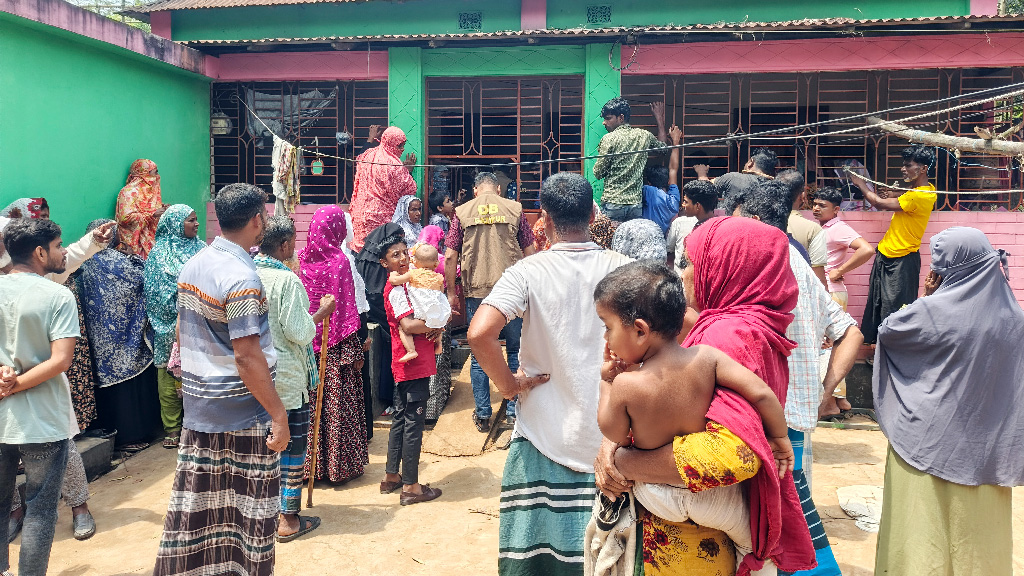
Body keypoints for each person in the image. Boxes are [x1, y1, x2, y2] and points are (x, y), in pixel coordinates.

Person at [594, 216, 815, 576]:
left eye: (693, 263)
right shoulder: (745, 330)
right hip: (727, 511)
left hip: (693, 517)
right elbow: (758, 396)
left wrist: (624, 462)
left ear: (726, 268)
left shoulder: (727, 334)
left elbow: (731, 455)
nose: (685, 276)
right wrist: (779, 436)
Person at [467, 172, 632, 575]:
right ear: (594, 213)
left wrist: (509, 386)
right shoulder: (626, 270)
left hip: (542, 433)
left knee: (535, 560)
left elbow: (479, 332)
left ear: (544, 217)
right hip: (613, 442)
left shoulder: (527, 272)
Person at [727, 181, 862, 574]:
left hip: (759, 417)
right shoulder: (799, 261)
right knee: (786, 511)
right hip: (796, 413)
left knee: (782, 520)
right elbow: (850, 331)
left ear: (750, 219)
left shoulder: (754, 259)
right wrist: (824, 390)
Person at [153, 183, 287, 576]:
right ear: (255, 220)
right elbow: (247, 356)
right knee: (251, 514)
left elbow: (183, 330)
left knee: (201, 513)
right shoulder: (241, 275)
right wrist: (278, 415)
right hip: (245, 412)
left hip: (202, 407)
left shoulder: (195, 263)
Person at [874, 227, 1024, 576]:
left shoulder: (930, 312)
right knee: (978, 533)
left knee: (920, 530)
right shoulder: (1015, 318)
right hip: (989, 449)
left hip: (926, 439)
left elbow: (890, 332)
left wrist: (928, 296)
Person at [0, 218, 79, 576]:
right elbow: (60, 360)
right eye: (60, 245)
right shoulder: (58, 296)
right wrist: (16, 384)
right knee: (41, 509)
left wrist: (6, 381)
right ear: (39, 252)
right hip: (42, 421)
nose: (63, 252)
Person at [255, 215, 336, 542]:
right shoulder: (287, 281)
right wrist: (320, 313)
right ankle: (287, 519)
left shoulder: (249, 272)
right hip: (286, 379)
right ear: (286, 245)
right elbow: (300, 333)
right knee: (291, 448)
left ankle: (263, 514)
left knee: (263, 449)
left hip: (255, 378)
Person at [444, 171, 536, 431]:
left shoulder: (461, 212)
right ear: (498, 191)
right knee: (515, 351)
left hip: (477, 292)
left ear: (475, 191)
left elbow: (450, 257)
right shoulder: (515, 208)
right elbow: (530, 252)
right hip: (513, 293)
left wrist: (452, 293)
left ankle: (483, 414)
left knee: (479, 353)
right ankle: (513, 412)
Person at [298, 206, 368, 485]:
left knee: (311, 407)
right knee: (337, 404)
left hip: (306, 345)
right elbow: (347, 309)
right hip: (336, 346)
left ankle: (309, 468)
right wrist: (356, 346)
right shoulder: (340, 261)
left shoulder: (300, 260)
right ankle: (338, 468)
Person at [77, 219, 160, 447]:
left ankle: (110, 434)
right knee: (127, 387)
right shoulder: (118, 261)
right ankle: (131, 436)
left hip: (95, 338)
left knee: (103, 387)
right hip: (124, 337)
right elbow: (142, 282)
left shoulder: (80, 262)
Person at [378, 232, 443, 505]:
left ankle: (392, 476)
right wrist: (435, 326)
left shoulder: (407, 284)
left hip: (407, 359)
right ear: (384, 263)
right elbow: (407, 326)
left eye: (405, 252)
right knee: (414, 421)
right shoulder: (395, 290)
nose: (403, 258)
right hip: (412, 362)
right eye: (396, 255)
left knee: (402, 416)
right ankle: (412, 487)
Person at [848, 144, 937, 345]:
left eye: (908, 166)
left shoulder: (917, 196)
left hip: (901, 260)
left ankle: (893, 349)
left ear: (922, 168)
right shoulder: (927, 190)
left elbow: (879, 204)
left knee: (895, 308)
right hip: (888, 254)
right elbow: (907, 195)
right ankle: (879, 348)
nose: (903, 169)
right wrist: (895, 193)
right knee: (879, 305)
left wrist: (861, 184)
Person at [143, 205, 205, 449]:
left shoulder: (202, 250)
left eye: (197, 219)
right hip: (169, 326)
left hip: (201, 323)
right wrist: (181, 305)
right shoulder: (158, 255)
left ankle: (196, 425)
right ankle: (172, 428)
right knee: (169, 381)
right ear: (176, 224)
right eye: (191, 220)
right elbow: (154, 292)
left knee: (199, 377)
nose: (197, 224)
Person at [812, 187, 874, 417]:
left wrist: (840, 270)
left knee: (830, 347)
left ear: (836, 209)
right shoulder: (823, 228)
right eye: (815, 204)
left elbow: (866, 249)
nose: (816, 209)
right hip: (827, 291)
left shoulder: (838, 228)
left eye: (822, 206)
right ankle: (839, 400)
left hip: (832, 292)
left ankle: (831, 401)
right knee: (831, 346)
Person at [593, 99, 669, 222]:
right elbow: (663, 149)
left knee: (611, 240)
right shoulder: (644, 135)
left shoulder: (609, 139)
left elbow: (598, 173)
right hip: (635, 205)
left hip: (613, 203)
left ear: (621, 118)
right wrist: (659, 120)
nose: (604, 122)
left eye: (608, 118)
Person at [356, 223, 405, 412]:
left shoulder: (364, 254)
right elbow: (376, 293)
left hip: (373, 311)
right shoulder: (376, 261)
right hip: (379, 311)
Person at [349, 126, 417, 252]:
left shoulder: (369, 155)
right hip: (380, 219)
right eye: (399, 146)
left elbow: (359, 157)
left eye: (403, 145)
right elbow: (409, 190)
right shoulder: (393, 164)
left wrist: (370, 139)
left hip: (360, 214)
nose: (402, 149)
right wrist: (408, 172)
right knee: (380, 253)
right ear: (390, 143)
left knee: (363, 252)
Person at [416, 226, 454, 422]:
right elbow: (454, 271)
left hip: (416, 322)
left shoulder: (412, 261)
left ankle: (419, 409)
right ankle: (433, 408)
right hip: (438, 321)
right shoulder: (438, 262)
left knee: (421, 366)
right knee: (438, 362)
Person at [388, 244, 451, 362]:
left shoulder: (413, 274)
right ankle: (438, 344)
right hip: (436, 311)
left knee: (402, 328)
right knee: (437, 323)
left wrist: (393, 274)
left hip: (420, 311)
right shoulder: (439, 277)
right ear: (436, 264)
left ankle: (411, 350)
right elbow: (441, 295)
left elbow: (395, 281)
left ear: (414, 262)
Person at [777, 169, 828, 287]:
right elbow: (818, 277)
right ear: (803, 195)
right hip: (800, 295)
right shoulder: (813, 230)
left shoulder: (761, 222)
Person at [115, 159, 167, 258]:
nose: (157, 176)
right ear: (144, 174)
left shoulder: (150, 192)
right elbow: (125, 218)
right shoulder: (128, 192)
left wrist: (163, 209)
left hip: (152, 239)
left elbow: (148, 208)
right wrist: (152, 214)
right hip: (136, 244)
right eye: (154, 172)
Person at [666, 179, 718, 272]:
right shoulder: (719, 226)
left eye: (686, 202)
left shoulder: (680, 222)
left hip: (683, 282)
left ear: (697, 206)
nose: (682, 205)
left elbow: (669, 248)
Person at [641, 125, 683, 234]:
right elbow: (673, 169)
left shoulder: (647, 191)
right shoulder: (672, 200)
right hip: (664, 240)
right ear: (668, 181)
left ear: (649, 182)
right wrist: (675, 141)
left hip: (646, 237)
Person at [699, 147, 778, 198]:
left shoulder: (734, 178)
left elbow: (703, 189)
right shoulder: (777, 188)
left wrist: (701, 173)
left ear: (751, 162)